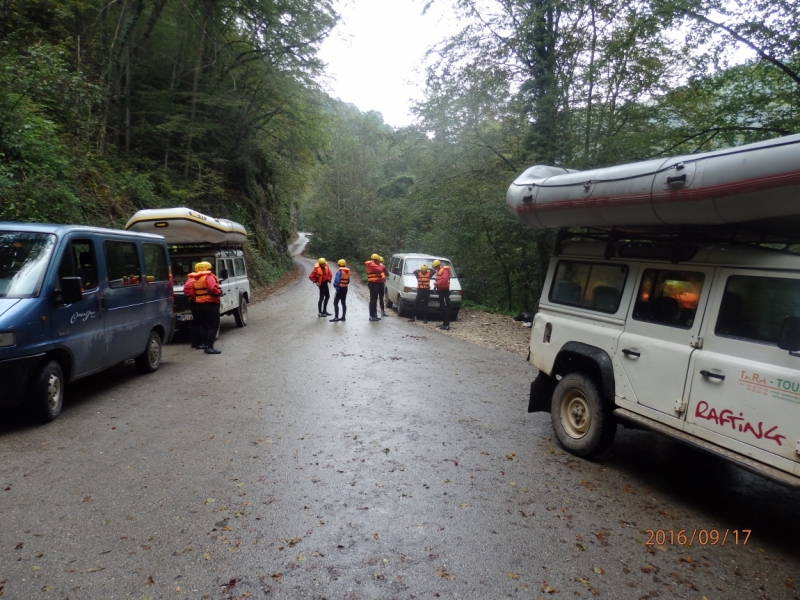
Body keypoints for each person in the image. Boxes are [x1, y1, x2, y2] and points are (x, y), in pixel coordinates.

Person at [189, 261, 223, 354]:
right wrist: (219, 292)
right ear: (208, 268)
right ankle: (210, 347)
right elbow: (212, 288)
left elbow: (191, 292)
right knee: (214, 326)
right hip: (210, 304)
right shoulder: (209, 277)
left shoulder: (195, 278)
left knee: (204, 326)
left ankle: (205, 345)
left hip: (199, 304)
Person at [183, 267, 204, 349]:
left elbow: (187, 292)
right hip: (198, 302)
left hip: (192, 302)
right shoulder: (197, 279)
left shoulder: (190, 279)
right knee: (200, 323)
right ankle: (199, 343)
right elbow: (193, 292)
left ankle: (194, 343)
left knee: (195, 323)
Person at [432, 259, 452, 331]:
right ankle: (444, 323)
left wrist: (437, 283)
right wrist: (436, 286)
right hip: (441, 291)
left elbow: (444, 280)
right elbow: (440, 280)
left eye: (435, 267)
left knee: (445, 308)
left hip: (445, 291)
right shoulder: (440, 270)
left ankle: (447, 325)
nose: (435, 269)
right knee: (442, 307)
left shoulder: (444, 270)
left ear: (437, 265)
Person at [365, 253, 384, 322]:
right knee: (373, 300)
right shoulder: (371, 264)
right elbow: (379, 270)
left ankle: (374, 315)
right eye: (378, 260)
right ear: (375, 260)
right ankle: (371, 316)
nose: (379, 262)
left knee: (375, 300)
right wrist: (382, 266)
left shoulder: (374, 264)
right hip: (372, 284)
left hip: (376, 283)